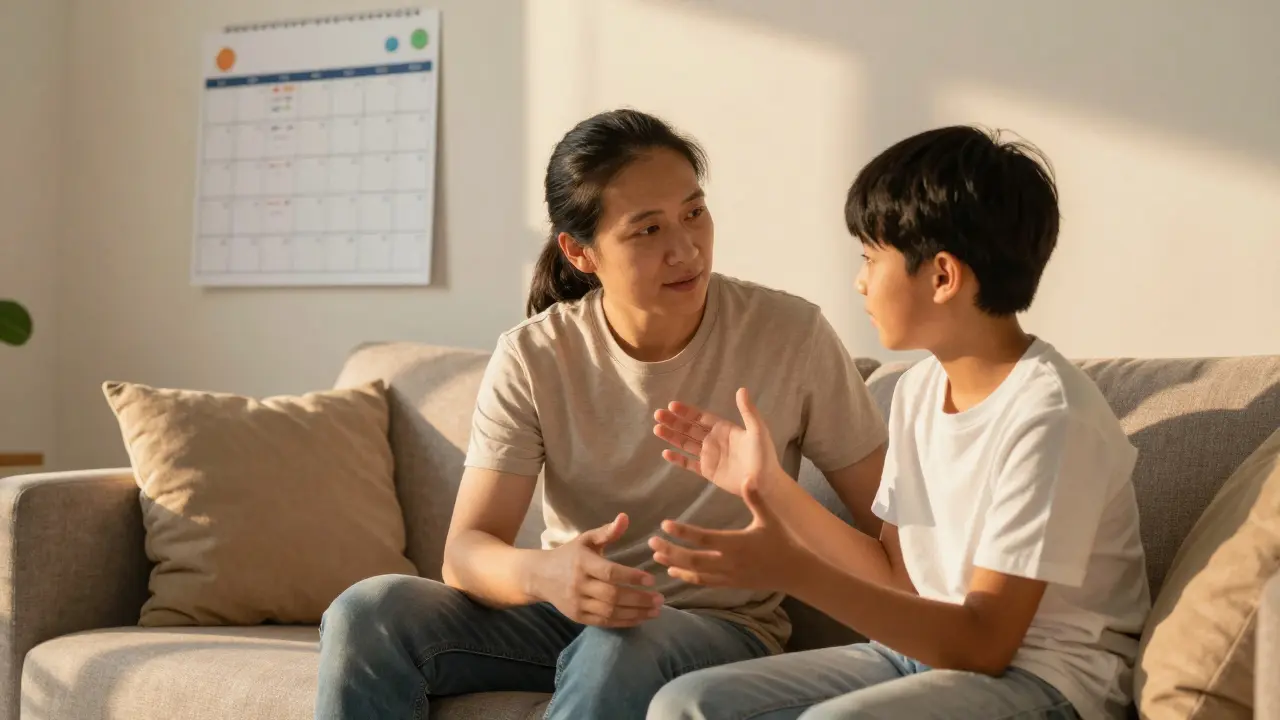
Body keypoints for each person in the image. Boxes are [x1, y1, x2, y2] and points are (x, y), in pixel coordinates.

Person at [312, 108, 889, 719]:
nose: (686, 248)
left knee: (621, 641)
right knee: (367, 613)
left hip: (717, 629)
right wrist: (546, 576)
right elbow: (466, 553)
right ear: (580, 252)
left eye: (694, 212)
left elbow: (891, 531)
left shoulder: (789, 334)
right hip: (568, 616)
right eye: (648, 230)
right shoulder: (535, 356)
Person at [645, 126, 1152, 720]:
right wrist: (770, 489)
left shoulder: (1050, 418)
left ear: (942, 276)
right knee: (687, 703)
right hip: (922, 654)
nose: (859, 281)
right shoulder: (917, 391)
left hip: (1049, 679)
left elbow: (987, 643)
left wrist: (795, 571)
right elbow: (899, 577)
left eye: (869, 257)